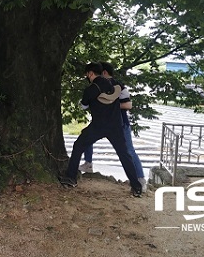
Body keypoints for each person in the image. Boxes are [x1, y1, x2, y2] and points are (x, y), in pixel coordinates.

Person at [59, 62, 142, 197]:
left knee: (79, 145)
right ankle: (136, 187)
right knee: (124, 154)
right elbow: (126, 103)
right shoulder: (116, 85)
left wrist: (87, 99)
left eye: (87, 75)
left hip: (97, 126)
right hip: (116, 126)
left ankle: (70, 178)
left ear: (91, 73)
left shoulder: (90, 89)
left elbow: (84, 106)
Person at [78, 62, 147, 192]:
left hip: (120, 124)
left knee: (128, 151)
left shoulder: (118, 86)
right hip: (101, 122)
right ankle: (88, 163)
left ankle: (140, 179)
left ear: (104, 73)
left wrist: (110, 104)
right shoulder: (97, 86)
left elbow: (128, 105)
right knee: (85, 137)